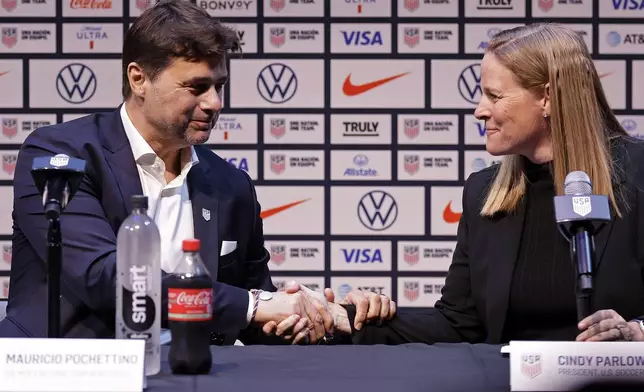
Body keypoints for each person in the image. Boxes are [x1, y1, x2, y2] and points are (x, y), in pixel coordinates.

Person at [0, 0, 395, 344]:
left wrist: (317, 315)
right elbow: (104, 278)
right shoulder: (61, 154)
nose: (215, 103)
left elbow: (250, 310)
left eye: (219, 86)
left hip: (196, 373)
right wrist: (255, 305)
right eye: (196, 87)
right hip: (70, 369)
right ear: (139, 78)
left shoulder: (231, 185)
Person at [306, 23, 644, 344]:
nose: (479, 111)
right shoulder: (484, 193)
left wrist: (636, 332)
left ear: (547, 98)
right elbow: (458, 323)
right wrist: (352, 318)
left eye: (494, 96)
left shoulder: (638, 174)